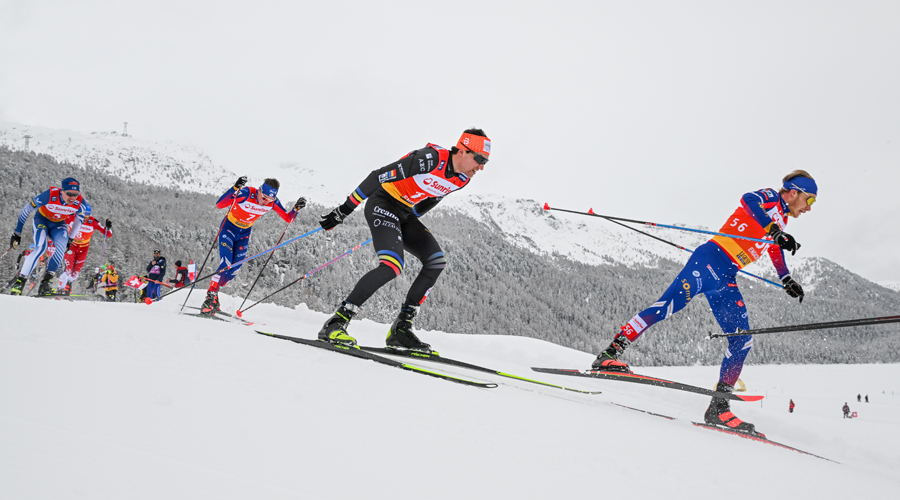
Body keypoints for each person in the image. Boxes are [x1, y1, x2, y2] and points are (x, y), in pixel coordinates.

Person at [590, 171, 818, 435]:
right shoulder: (770, 198)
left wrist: (786, 277)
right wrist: (774, 230)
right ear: (793, 192)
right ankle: (609, 354)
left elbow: (773, 247)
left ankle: (719, 408)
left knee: (742, 340)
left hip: (726, 276)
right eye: (809, 200)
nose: (809, 208)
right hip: (709, 260)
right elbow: (747, 200)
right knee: (665, 307)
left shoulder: (782, 219)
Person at [316, 129, 491, 352]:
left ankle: (401, 330)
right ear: (463, 150)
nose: (482, 167)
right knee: (392, 266)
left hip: (404, 212)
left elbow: (433, 198)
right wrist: (343, 211)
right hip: (383, 202)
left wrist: (409, 219)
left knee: (436, 262)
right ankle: (336, 322)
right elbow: (377, 176)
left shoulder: (462, 178)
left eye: (485, 162)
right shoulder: (430, 160)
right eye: (479, 159)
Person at [200, 177, 306, 314]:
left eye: (270, 200)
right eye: (264, 197)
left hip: (244, 234)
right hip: (228, 229)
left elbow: (288, 218)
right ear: (259, 190)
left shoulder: (272, 202)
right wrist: (234, 188)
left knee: (233, 271)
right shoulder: (246, 193)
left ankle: (215, 295)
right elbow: (220, 204)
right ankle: (210, 297)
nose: (266, 202)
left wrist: (296, 209)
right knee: (225, 264)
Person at [8, 177, 87, 296]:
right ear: (62, 191)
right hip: (42, 220)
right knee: (40, 248)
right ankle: (20, 283)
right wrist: (17, 233)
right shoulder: (50, 195)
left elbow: (78, 221)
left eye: (76, 194)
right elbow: (26, 210)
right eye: (69, 194)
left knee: (61, 248)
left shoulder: (80, 202)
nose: (72, 197)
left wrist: (70, 239)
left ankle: (45, 284)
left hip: (59, 225)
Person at [57, 202, 113, 295]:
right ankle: (60, 289)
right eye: (83, 216)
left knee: (75, 274)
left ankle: (68, 287)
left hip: (83, 248)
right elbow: (58, 221)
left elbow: (108, 234)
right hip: (71, 245)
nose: (85, 218)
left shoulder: (93, 222)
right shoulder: (73, 217)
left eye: (87, 216)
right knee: (68, 269)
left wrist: (108, 227)